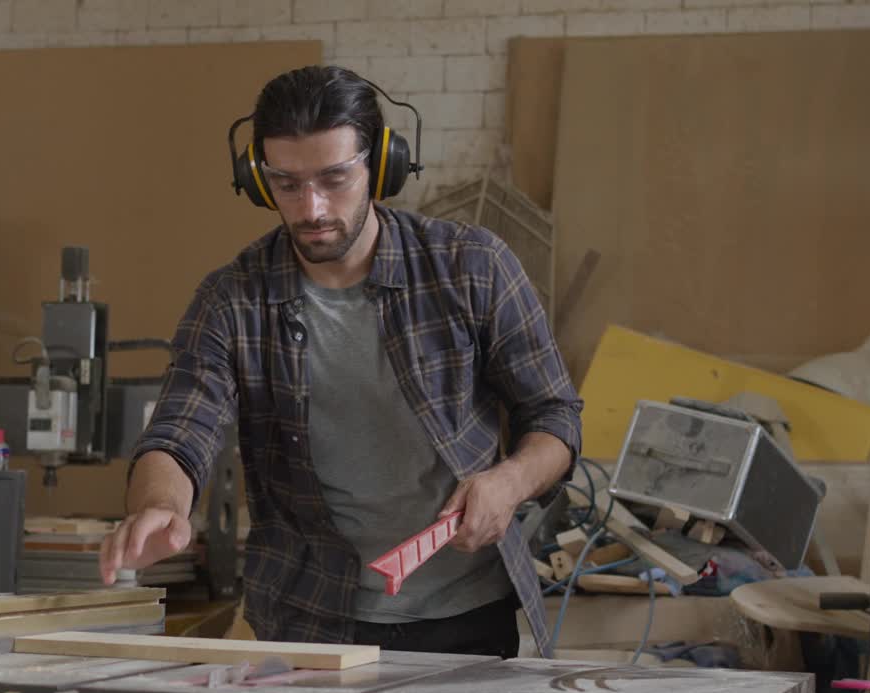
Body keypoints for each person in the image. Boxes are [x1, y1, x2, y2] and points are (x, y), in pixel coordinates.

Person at [98, 65, 583, 660]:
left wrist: (509, 481)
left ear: (381, 167)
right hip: (310, 619)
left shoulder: (471, 266)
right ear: (257, 179)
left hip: (469, 615)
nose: (312, 208)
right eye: (287, 183)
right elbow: (180, 429)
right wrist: (159, 508)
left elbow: (555, 416)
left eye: (334, 178)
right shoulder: (232, 299)